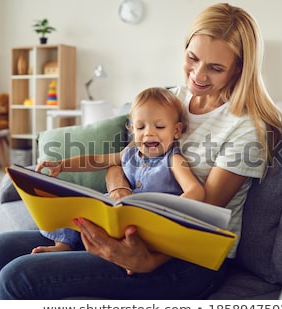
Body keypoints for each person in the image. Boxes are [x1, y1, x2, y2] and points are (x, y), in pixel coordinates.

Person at [0, 3, 282, 299]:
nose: (198, 76)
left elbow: (202, 216)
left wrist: (148, 260)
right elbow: (123, 161)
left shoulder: (245, 128)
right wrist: (119, 194)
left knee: (19, 278)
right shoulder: (172, 100)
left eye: (215, 68)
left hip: (190, 260)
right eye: (193, 58)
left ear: (239, 69)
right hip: (132, 230)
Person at [31, 87, 204, 253]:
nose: (149, 133)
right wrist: (62, 164)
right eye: (141, 127)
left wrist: (170, 213)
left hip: (148, 224)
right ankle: (63, 244)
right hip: (117, 215)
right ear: (132, 129)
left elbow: (194, 190)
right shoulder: (129, 154)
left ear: (176, 131)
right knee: (73, 208)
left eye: (159, 127)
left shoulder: (173, 160)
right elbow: (97, 160)